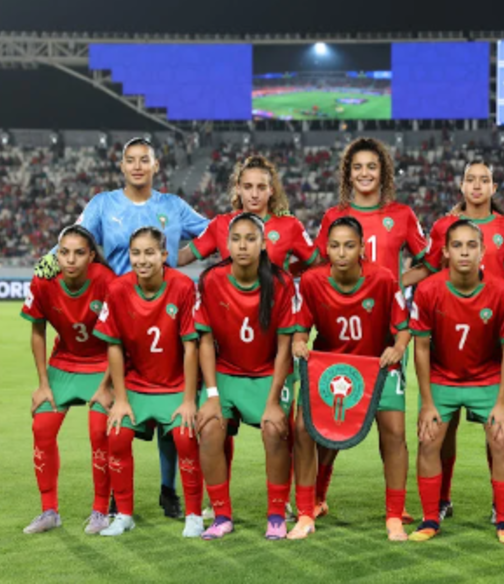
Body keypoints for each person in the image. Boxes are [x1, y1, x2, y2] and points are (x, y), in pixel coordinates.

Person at [34, 137, 210, 519]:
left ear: (156, 165)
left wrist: (187, 255)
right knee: (118, 411)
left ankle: (168, 490)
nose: (137, 166)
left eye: (144, 160)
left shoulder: (173, 206)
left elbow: (214, 232)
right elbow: (75, 236)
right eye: (130, 160)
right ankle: (116, 497)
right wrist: (46, 261)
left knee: (168, 403)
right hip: (117, 315)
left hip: (163, 313)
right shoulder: (103, 204)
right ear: (122, 166)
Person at [401, 159, 504, 523]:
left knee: (497, 433)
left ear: (493, 187)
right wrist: (390, 283)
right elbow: (428, 267)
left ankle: (500, 508)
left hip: (491, 335)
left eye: (484, 179)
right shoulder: (444, 226)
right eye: (470, 179)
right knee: (443, 429)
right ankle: (440, 501)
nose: (476, 185)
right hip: (449, 336)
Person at [312, 138, 427, 520]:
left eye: (372, 167)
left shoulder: (403, 215)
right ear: (348, 174)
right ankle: (318, 497)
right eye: (357, 167)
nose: (365, 173)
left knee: (391, 428)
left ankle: (396, 506)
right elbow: (319, 266)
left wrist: (395, 282)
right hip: (340, 337)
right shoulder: (333, 216)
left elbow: (429, 262)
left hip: (387, 334)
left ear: (383, 173)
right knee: (331, 422)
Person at [288, 217, 411, 541]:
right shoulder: (311, 281)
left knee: (395, 432)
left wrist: (398, 348)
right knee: (303, 429)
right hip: (330, 369)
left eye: (349, 245)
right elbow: (300, 329)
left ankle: (394, 516)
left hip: (379, 366)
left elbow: (403, 328)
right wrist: (299, 342)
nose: (341, 253)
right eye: (335, 246)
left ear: (362, 249)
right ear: (326, 249)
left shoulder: (383, 279)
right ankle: (306, 512)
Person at [92, 226, 205, 537]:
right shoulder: (118, 289)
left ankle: (194, 515)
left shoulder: (183, 286)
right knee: (117, 435)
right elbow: (114, 346)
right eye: (136, 253)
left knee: (185, 437)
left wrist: (188, 400)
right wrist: (121, 399)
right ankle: (124, 515)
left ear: (164, 255)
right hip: (137, 386)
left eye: (149, 253)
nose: (142, 260)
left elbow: (191, 346)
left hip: (175, 386)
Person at [194, 213, 299, 541]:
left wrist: (273, 401)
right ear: (226, 244)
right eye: (236, 239)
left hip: (269, 372)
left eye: (250, 239)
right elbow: (205, 340)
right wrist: (212, 395)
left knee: (275, 430)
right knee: (208, 428)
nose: (242, 246)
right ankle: (221, 515)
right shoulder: (211, 280)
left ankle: (277, 515)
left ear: (263, 244)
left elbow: (284, 348)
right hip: (226, 371)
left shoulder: (281, 283)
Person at [20, 226, 115, 535]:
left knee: (99, 430)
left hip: (103, 364)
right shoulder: (43, 281)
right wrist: (43, 384)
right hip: (63, 364)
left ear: (91, 256)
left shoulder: (105, 280)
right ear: (56, 255)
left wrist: (108, 385)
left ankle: (101, 511)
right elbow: (37, 331)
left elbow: (119, 336)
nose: (70, 259)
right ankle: (49, 511)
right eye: (64, 252)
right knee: (42, 427)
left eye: (78, 253)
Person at [178, 155, 320, 272]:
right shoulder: (220, 224)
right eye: (248, 187)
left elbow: (317, 263)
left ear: (271, 190)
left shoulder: (290, 225)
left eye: (261, 187)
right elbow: (182, 257)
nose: (254, 194)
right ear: (238, 189)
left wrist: (288, 273)